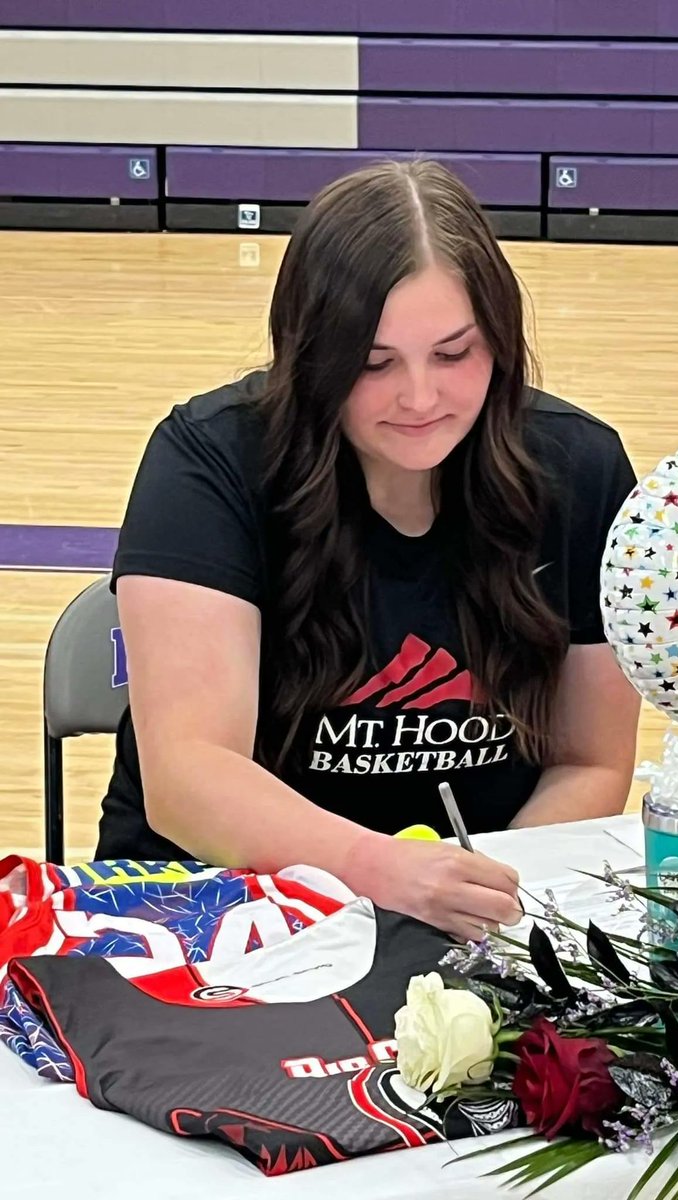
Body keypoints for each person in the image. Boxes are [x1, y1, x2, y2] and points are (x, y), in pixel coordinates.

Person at [97, 160, 641, 942]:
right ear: (308, 352)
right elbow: (186, 779)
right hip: (214, 907)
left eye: (454, 355)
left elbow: (590, 763)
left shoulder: (581, 471)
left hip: (470, 920)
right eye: (374, 363)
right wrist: (390, 873)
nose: (420, 398)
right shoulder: (206, 462)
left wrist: (480, 897)